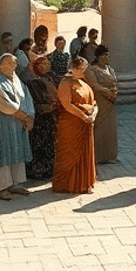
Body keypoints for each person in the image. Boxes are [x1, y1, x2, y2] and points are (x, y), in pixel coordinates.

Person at [0, 54, 35, 201]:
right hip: (4, 123)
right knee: (4, 153)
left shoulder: (16, 79)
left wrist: (31, 115)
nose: (13, 67)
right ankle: (1, 187)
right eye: (9, 64)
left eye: (14, 64)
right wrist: (25, 117)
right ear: (0, 65)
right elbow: (6, 105)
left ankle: (14, 183)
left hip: (18, 123)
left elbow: (27, 97)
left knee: (16, 151)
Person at [53, 57, 97, 194]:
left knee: (85, 151)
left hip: (85, 124)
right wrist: (84, 116)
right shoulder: (65, 83)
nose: (84, 71)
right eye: (81, 69)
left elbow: (94, 102)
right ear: (73, 69)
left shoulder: (83, 83)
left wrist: (93, 115)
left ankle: (84, 183)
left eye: (85, 69)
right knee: (69, 153)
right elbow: (67, 105)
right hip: (71, 124)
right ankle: (67, 184)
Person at [25, 53, 59, 181]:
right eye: (44, 64)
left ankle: (48, 169)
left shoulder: (50, 79)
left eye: (48, 64)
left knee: (50, 143)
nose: (47, 66)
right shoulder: (33, 83)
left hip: (51, 117)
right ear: (36, 66)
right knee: (38, 144)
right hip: (39, 118)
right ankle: (36, 171)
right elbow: (32, 103)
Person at [86, 45, 119, 165]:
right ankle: (97, 156)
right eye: (106, 55)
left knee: (110, 128)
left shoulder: (110, 69)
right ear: (100, 57)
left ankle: (109, 155)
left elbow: (114, 82)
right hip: (99, 100)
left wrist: (114, 92)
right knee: (99, 127)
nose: (108, 58)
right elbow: (94, 84)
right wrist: (107, 92)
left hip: (110, 101)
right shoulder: (91, 69)